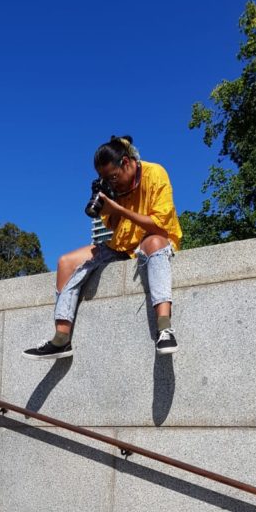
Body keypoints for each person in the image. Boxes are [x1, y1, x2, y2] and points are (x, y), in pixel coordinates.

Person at [23, 135, 182, 360]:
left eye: (113, 176)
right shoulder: (114, 187)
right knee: (65, 262)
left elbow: (159, 225)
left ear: (126, 163)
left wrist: (118, 208)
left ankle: (164, 328)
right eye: (106, 178)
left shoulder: (155, 173)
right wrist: (107, 200)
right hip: (121, 246)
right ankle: (61, 339)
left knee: (154, 243)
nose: (112, 182)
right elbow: (115, 225)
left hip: (154, 237)